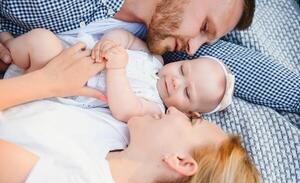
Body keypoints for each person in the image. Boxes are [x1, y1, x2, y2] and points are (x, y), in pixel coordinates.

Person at [1, 0, 298, 113]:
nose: (193, 48)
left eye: (207, 39)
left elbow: (245, 74)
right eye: (205, 27)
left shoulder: (169, 57)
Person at [0, 103, 260, 183]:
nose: (174, 110)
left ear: (180, 161)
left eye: (191, 121)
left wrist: (42, 84)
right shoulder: (119, 136)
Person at [4, 28, 234, 121]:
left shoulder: (154, 108)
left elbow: (125, 109)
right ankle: (8, 52)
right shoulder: (153, 58)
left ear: (187, 112)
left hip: (69, 93)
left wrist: (117, 69)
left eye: (186, 92)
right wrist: (110, 43)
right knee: (41, 41)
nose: (176, 81)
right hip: (65, 57)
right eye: (183, 70)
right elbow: (125, 37)